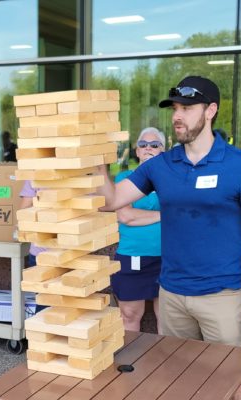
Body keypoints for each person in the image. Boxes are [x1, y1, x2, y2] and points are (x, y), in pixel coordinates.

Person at [97, 75, 241, 400]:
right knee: (177, 383)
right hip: (171, 296)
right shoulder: (161, 165)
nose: (177, 115)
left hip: (221, 298)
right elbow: (110, 202)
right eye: (175, 107)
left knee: (230, 384)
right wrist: (98, 159)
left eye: (187, 108)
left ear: (211, 110)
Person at [111, 127, 163, 332]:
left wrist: (141, 216)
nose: (148, 148)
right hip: (132, 256)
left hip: (167, 257)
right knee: (130, 315)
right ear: (137, 151)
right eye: (143, 145)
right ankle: (129, 363)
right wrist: (164, 216)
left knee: (168, 319)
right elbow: (125, 216)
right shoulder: (124, 178)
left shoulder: (171, 179)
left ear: (162, 150)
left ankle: (166, 362)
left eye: (154, 145)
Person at [19, 180, 47, 313]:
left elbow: (24, 211)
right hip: (75, 252)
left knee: (44, 305)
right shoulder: (82, 169)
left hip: (41, 253)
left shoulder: (35, 170)